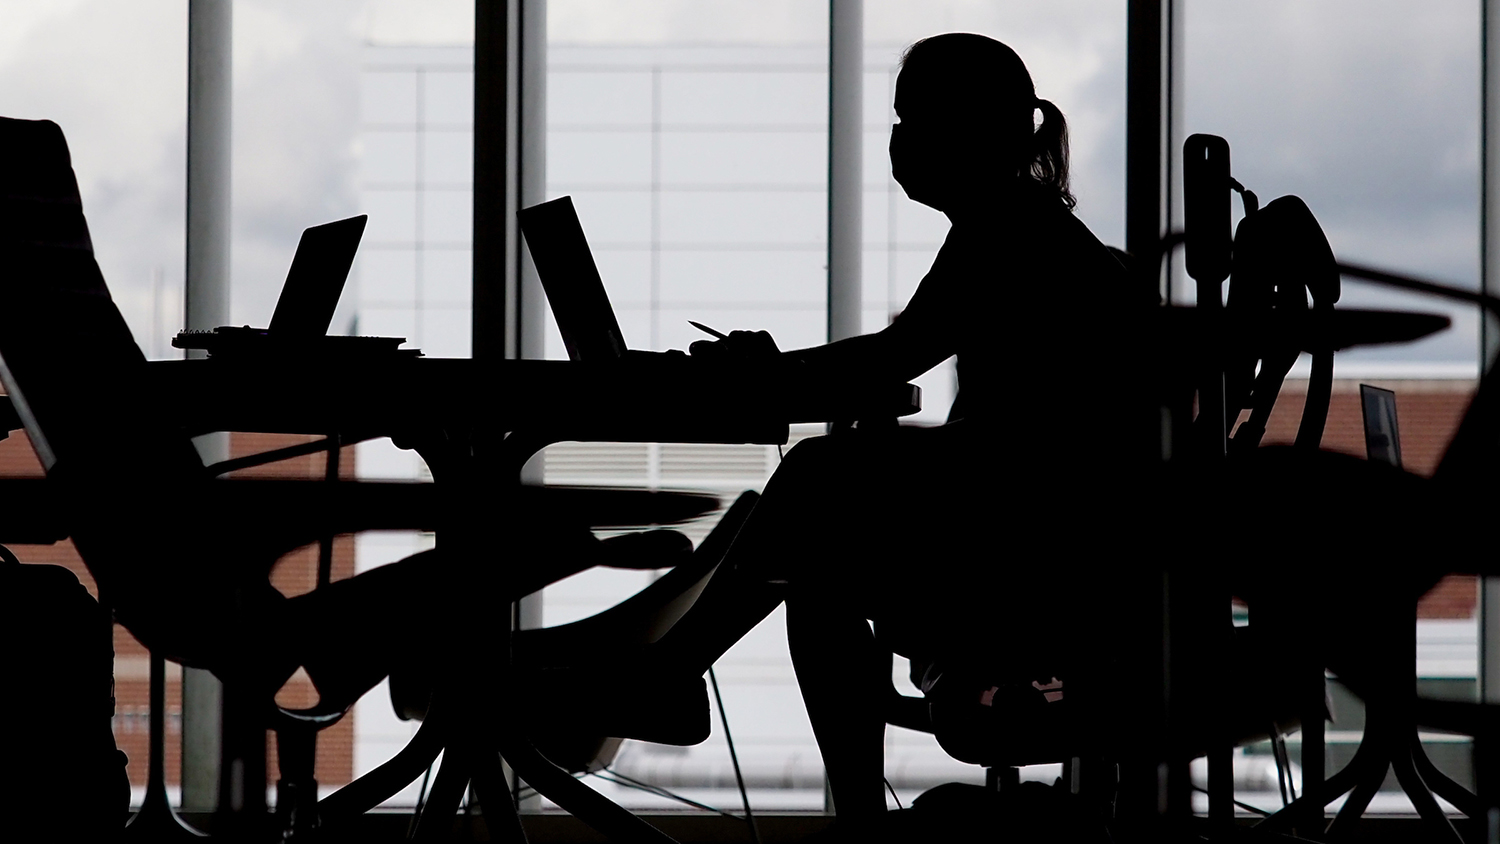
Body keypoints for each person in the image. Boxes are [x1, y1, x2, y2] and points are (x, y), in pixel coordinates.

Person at [634, 32, 1157, 830]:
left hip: (1029, 561)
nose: (900, 143)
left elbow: (891, 357)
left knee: (817, 482)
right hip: (1056, 548)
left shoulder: (1008, 230)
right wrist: (779, 370)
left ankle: (675, 674)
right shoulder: (1030, 226)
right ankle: (682, 680)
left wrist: (764, 375)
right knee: (819, 553)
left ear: (970, 130)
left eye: (915, 121)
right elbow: (895, 356)